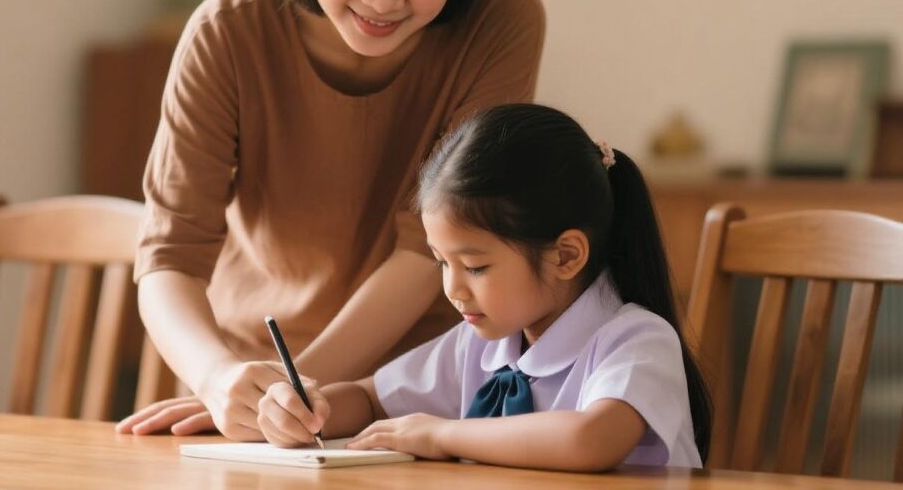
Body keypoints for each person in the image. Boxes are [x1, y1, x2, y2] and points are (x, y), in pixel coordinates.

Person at [116, 0, 545, 437]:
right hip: (246, 383)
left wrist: (295, 395)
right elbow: (169, 254)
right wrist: (220, 380)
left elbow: (430, 247)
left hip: (423, 392)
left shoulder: (501, 21)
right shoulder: (229, 29)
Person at [256, 104, 712, 471]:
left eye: (474, 266)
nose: (452, 288)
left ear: (566, 255)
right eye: (441, 263)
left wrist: (439, 434)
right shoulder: (481, 344)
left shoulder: (636, 340)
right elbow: (371, 398)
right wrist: (305, 409)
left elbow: (590, 439)